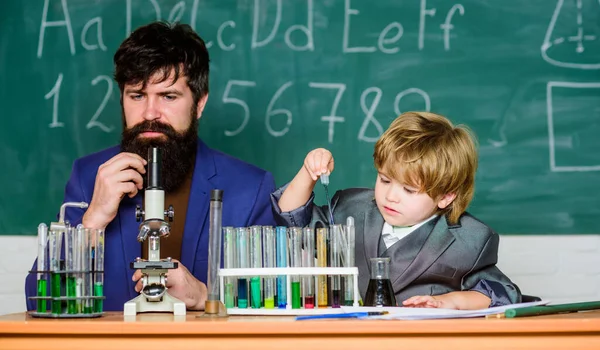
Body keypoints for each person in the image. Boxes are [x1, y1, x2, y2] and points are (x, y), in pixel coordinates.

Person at [25, 22, 276, 311]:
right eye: (137, 95)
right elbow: (37, 299)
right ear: (121, 99)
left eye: (168, 96)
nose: (150, 113)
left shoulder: (250, 188)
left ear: (200, 103)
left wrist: (205, 295)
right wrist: (91, 223)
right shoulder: (88, 176)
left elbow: (272, 305)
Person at [271, 111, 521, 310]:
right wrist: (308, 173)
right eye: (385, 180)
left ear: (445, 196)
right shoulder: (351, 208)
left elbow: (500, 293)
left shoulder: (470, 238)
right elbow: (293, 220)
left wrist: (450, 301)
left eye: (409, 190)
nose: (391, 196)